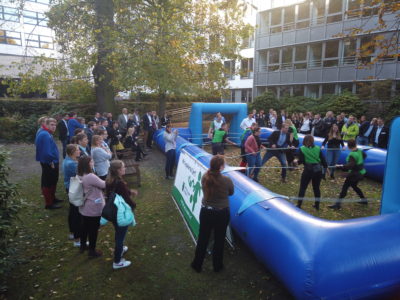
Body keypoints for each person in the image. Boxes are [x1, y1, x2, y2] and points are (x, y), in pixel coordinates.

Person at [191, 155, 234, 273]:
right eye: (223, 164)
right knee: (219, 239)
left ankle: (197, 264)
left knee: (203, 238)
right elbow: (231, 193)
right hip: (221, 213)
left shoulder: (205, 177)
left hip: (206, 211)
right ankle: (217, 266)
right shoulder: (226, 180)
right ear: (220, 167)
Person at [106, 160, 137, 269]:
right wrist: (134, 205)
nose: (125, 169)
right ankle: (117, 261)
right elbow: (126, 199)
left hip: (113, 211)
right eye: (123, 167)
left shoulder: (110, 180)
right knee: (120, 235)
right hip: (121, 212)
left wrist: (129, 191)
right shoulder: (119, 183)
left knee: (118, 232)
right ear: (118, 170)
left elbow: (120, 193)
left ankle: (121, 248)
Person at [77, 156, 105, 257]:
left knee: (84, 227)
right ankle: (92, 251)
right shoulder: (90, 176)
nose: (93, 162)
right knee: (93, 230)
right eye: (91, 161)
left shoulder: (80, 174)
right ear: (87, 164)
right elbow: (104, 185)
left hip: (84, 207)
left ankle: (83, 245)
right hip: (93, 207)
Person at [328, 139, 367, 210]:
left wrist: (340, 166)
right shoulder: (360, 151)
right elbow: (364, 156)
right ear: (355, 144)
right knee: (354, 186)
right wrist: (359, 163)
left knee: (344, 188)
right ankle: (364, 200)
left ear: (349, 146)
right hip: (360, 173)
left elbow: (350, 165)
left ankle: (337, 205)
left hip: (354, 175)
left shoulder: (352, 154)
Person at [35, 118, 62, 209]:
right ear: (46, 125)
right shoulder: (45, 135)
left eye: (55, 125)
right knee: (49, 182)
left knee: (52, 180)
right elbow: (46, 152)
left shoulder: (44, 132)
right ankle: (49, 204)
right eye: (51, 125)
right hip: (50, 162)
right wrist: (51, 162)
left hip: (48, 161)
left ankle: (52, 198)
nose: (54, 127)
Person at [296, 135, 328, 210]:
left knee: (303, 188)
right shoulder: (318, 148)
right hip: (318, 171)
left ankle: (299, 205)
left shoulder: (302, 149)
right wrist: (325, 169)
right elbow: (323, 161)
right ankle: (317, 206)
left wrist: (296, 162)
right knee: (316, 188)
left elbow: (301, 161)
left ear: (305, 141)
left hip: (308, 170)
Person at [62, 144, 81, 246]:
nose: (79, 151)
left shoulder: (68, 160)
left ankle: (73, 232)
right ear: (72, 152)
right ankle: (77, 238)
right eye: (78, 150)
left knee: (73, 210)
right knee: (76, 213)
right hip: (73, 188)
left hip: (70, 187)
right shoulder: (71, 164)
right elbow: (82, 173)